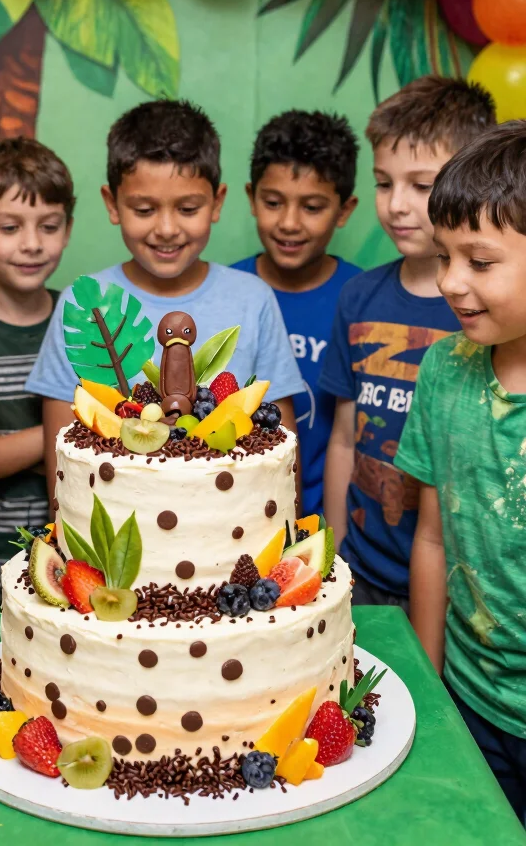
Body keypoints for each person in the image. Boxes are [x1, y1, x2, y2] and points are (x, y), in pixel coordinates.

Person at [25, 100, 304, 507]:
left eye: (188, 209)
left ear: (218, 201)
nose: (167, 229)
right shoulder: (84, 304)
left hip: (232, 531)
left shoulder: (253, 299)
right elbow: (63, 463)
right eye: (144, 209)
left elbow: (281, 449)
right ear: (111, 203)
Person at [319, 76, 496, 611]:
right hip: (363, 567)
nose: (397, 205)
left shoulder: (486, 312)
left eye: (421, 186)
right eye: (383, 182)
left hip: (461, 586)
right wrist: (333, 554)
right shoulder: (357, 297)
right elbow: (346, 439)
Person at [396, 123, 526, 823]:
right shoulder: (444, 370)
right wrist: (429, 683)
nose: (449, 281)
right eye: (445, 256)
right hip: (471, 701)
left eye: (479, 261)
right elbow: (433, 540)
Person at [0, 138, 75, 605]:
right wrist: (68, 430)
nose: (31, 244)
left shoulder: (84, 323)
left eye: (49, 226)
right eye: (9, 226)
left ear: (67, 229)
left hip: (72, 569)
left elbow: (113, 445)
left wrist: (1, 449)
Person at [232, 110, 360, 517]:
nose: (289, 223)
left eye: (312, 207)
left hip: (333, 525)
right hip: (238, 519)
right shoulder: (227, 294)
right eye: (273, 202)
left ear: (344, 210)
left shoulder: (361, 300)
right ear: (252, 198)